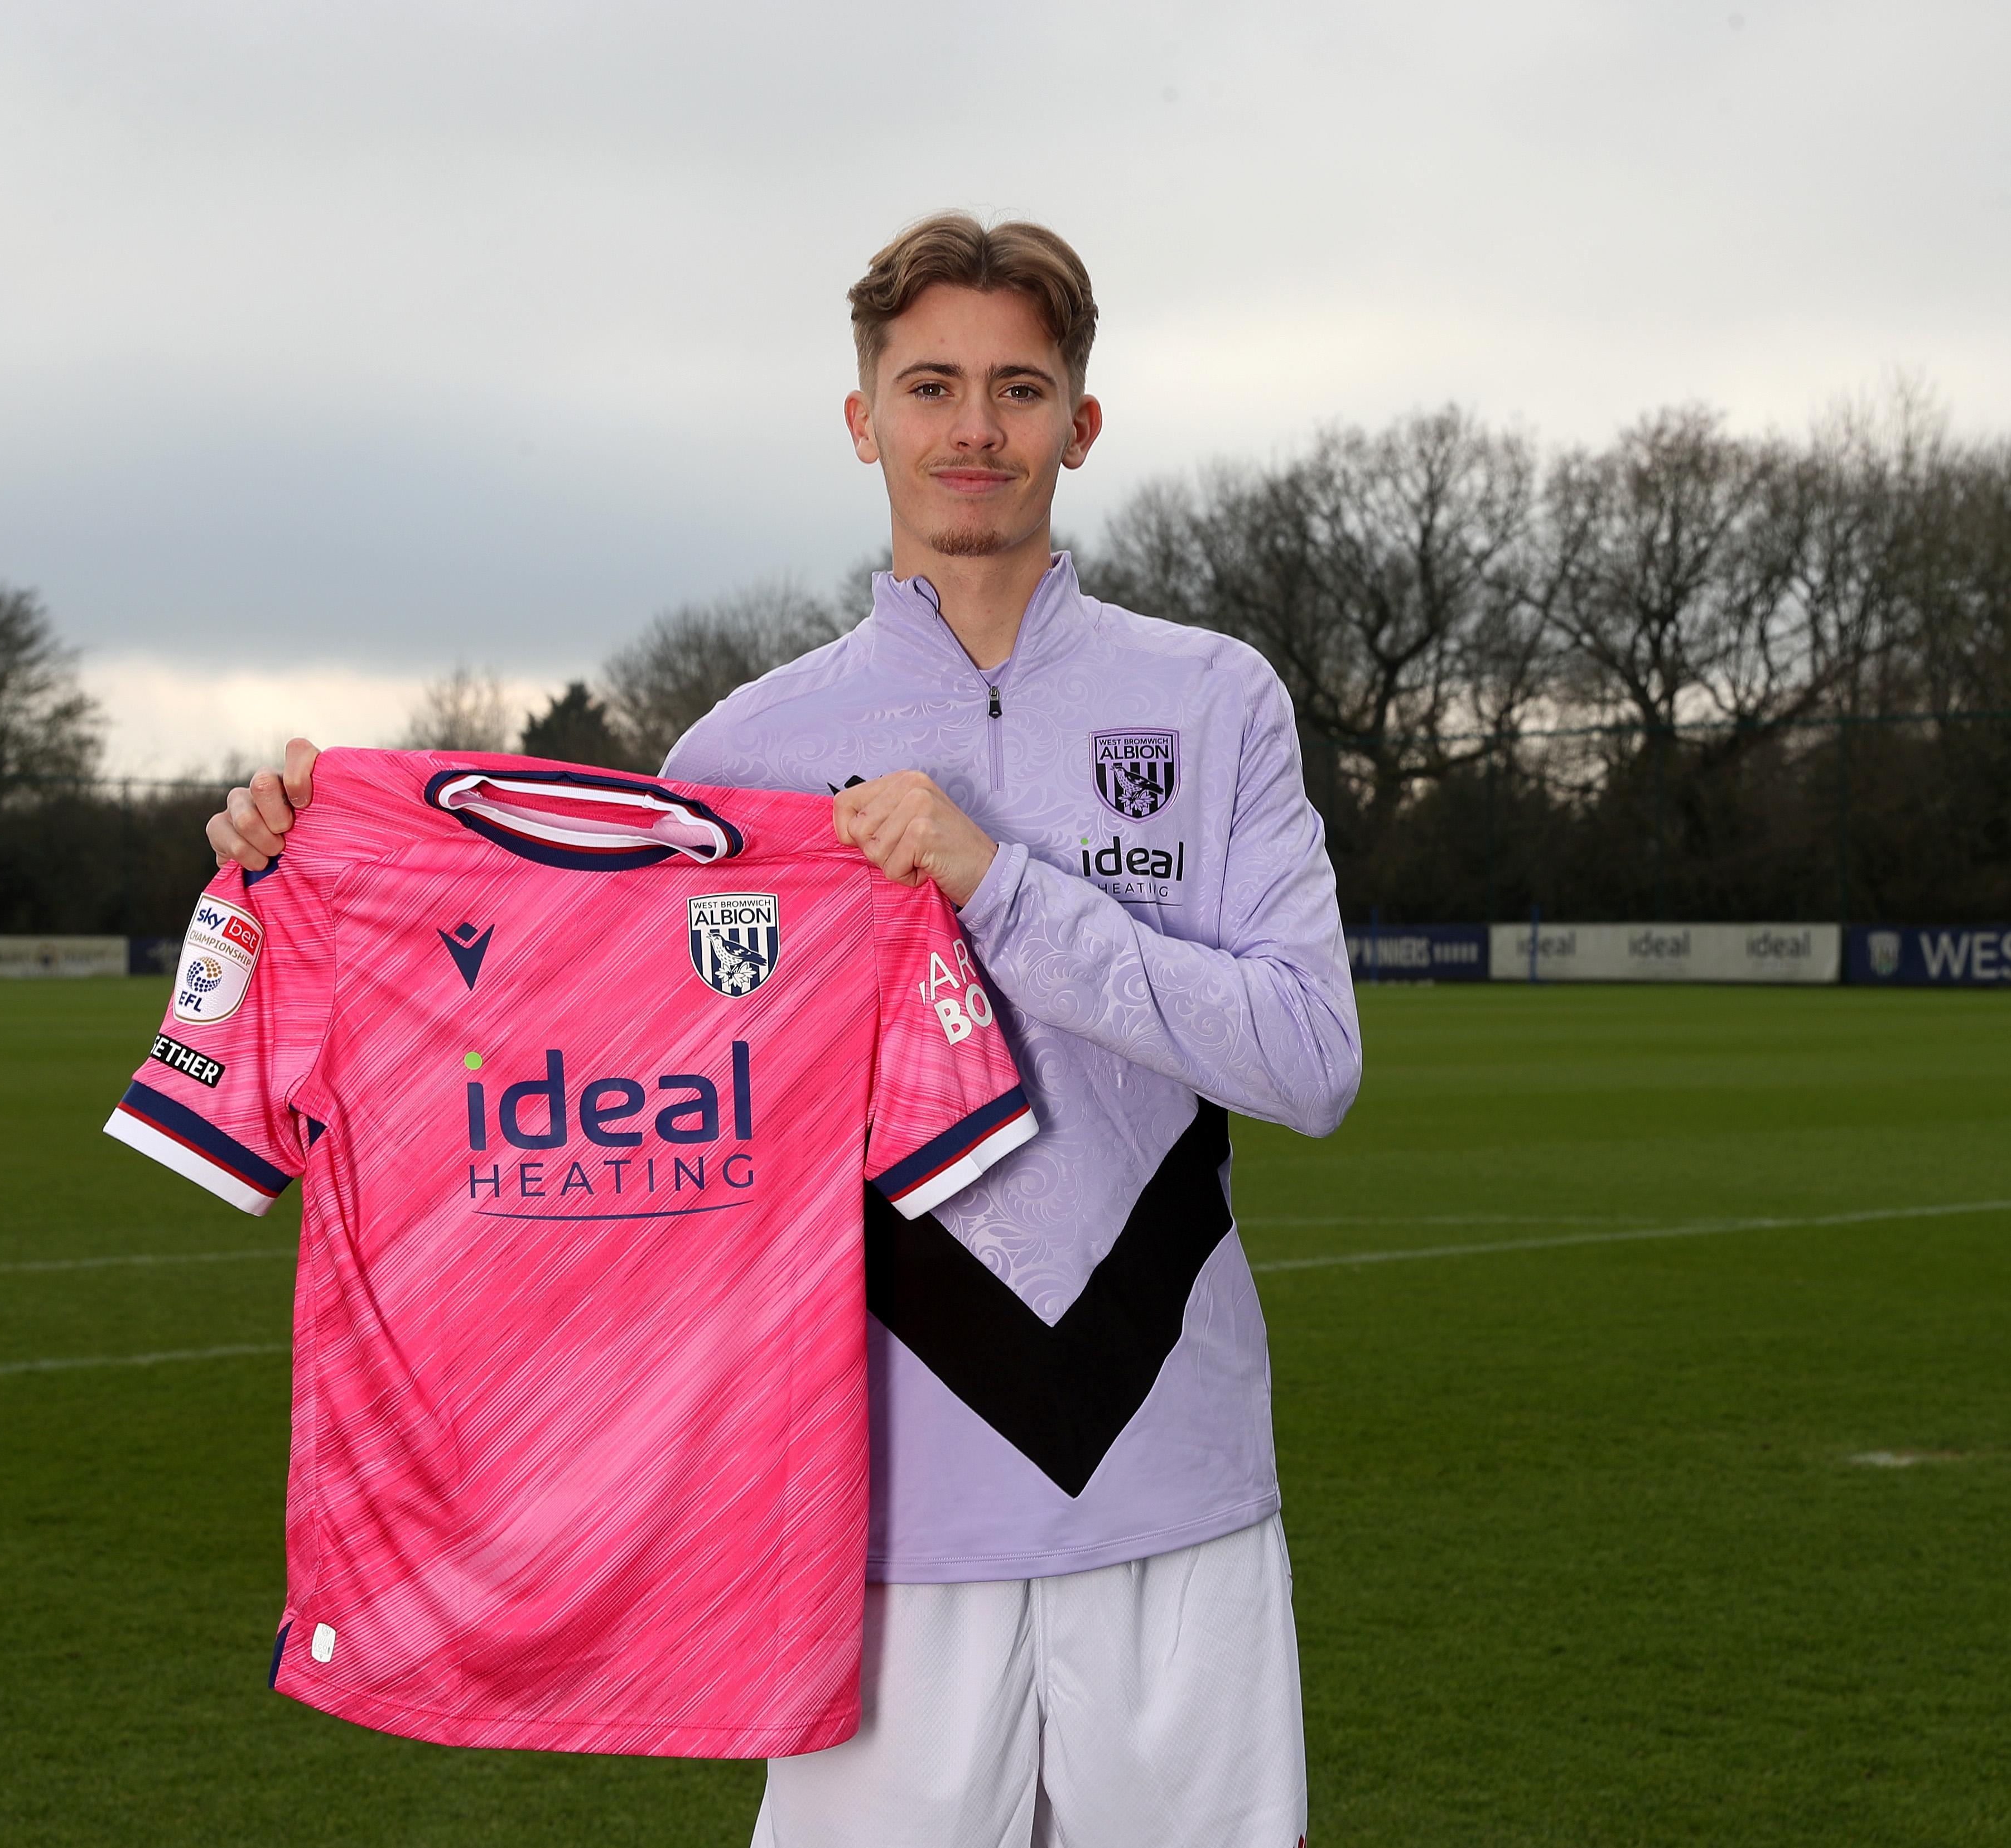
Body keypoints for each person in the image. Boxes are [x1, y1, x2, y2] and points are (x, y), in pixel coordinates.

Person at [209, 214, 1361, 1848]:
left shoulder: (1214, 697)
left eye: (1020, 389)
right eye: (932, 386)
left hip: (1170, 1488)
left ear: (1082, 424)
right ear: (862, 419)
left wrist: (999, 885)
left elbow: (1307, 1059)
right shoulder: (745, 750)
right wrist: (315, 864)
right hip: (862, 1516)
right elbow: (548, 1041)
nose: (976, 430)